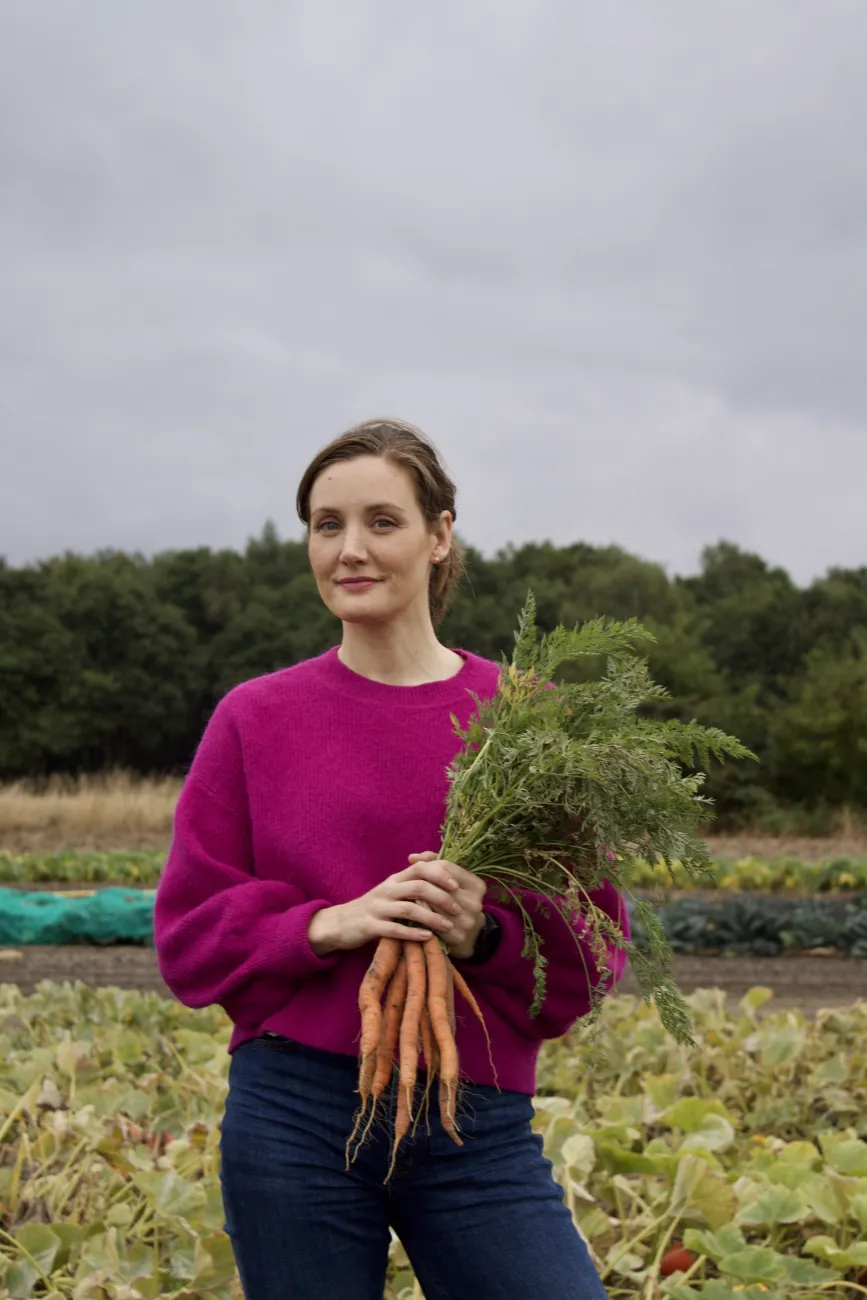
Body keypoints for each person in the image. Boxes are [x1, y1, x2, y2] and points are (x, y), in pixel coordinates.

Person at [154, 418, 629, 1300]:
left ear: (439, 534)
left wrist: (480, 934)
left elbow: (592, 954)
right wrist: (325, 925)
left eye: (381, 520)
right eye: (326, 524)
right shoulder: (255, 718)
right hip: (295, 1113)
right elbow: (188, 938)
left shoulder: (524, 718)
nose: (349, 550)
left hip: (472, 1116)